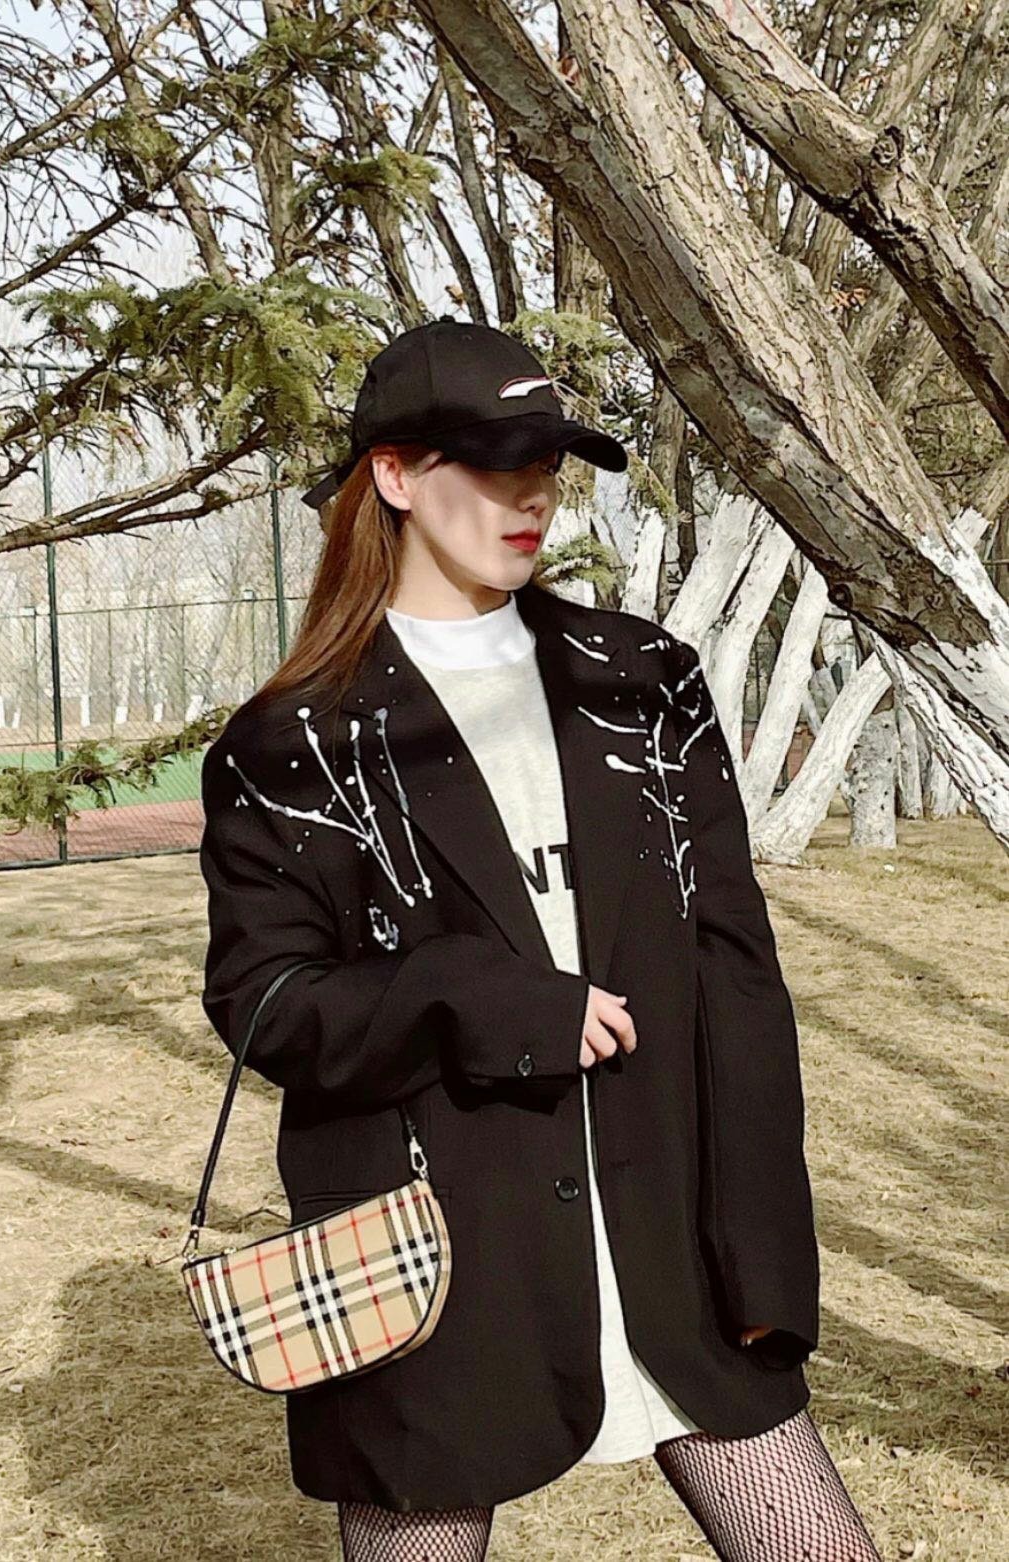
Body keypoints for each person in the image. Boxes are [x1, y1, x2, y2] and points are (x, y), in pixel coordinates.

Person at [196, 319, 883, 1561]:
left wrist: (764, 1253)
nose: (533, 495)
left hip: (671, 1242)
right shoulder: (292, 744)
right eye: (494, 462)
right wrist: (482, 997)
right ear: (394, 475)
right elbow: (266, 1004)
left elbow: (737, 975)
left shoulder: (644, 682)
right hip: (440, 1261)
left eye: (548, 464)